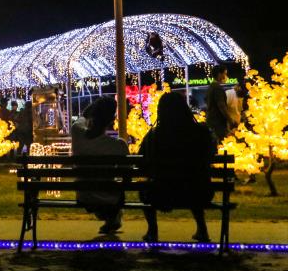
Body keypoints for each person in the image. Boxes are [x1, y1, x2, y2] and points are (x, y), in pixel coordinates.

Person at [139, 92, 216, 243]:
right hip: (198, 192)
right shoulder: (201, 132)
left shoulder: (154, 135)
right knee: (194, 180)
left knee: (145, 189)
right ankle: (202, 228)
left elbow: (141, 161)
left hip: (161, 194)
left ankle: (152, 231)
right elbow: (211, 154)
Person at [71, 96, 129, 236]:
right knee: (114, 189)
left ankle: (110, 220)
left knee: (98, 193)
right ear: (111, 120)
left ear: (93, 115)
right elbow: (126, 177)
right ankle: (112, 218)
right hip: (111, 198)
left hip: (84, 196)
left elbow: (83, 116)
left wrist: (95, 106)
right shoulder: (118, 145)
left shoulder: (77, 132)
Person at [205, 64, 231, 142]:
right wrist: (230, 119)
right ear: (220, 74)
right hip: (218, 123)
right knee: (222, 144)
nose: (226, 76)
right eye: (225, 74)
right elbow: (221, 106)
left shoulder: (211, 87)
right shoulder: (217, 88)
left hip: (212, 121)